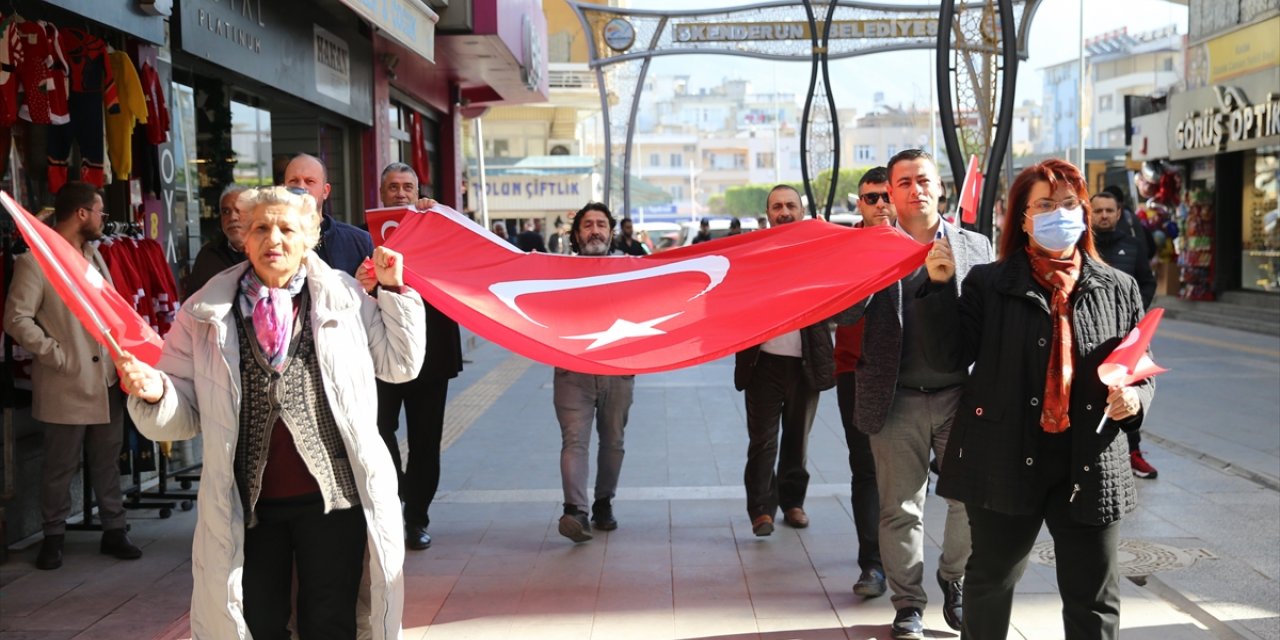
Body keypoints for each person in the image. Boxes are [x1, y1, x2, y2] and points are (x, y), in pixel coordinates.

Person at [114, 186, 425, 639]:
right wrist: (155, 392)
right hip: (248, 506)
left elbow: (400, 364)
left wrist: (395, 290)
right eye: (261, 227)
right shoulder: (204, 313)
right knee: (256, 622)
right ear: (243, 236)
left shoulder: (343, 296)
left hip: (335, 501)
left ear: (310, 236)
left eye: (286, 228)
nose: (272, 239)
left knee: (330, 621)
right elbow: (182, 412)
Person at [922, 159, 1154, 640]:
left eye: (1069, 204)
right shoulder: (989, 282)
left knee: (1094, 598)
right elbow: (950, 355)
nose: (1059, 215)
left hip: (1090, 457)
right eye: (1045, 205)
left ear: (1085, 212)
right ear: (1022, 218)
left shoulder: (1119, 286)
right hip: (1005, 453)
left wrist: (1134, 398)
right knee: (990, 581)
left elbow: (1139, 364)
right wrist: (940, 288)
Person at [841, 149, 992, 639]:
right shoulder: (871, 248)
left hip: (960, 395)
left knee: (968, 500)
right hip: (896, 397)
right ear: (890, 192)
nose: (914, 190)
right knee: (900, 508)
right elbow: (843, 317)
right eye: (902, 182)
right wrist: (873, 266)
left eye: (922, 180)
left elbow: (990, 323)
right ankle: (908, 605)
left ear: (940, 188)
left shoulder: (975, 246)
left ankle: (956, 580)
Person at [4, 181, 144, 570]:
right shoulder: (34, 261)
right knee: (58, 466)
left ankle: (115, 530)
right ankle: (53, 536)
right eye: (100, 212)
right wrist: (57, 355)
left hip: (106, 383)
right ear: (81, 214)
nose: (104, 220)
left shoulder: (95, 257)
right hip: (67, 381)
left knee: (106, 461)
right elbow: (16, 318)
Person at [373, 162, 464, 550]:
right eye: (392, 186)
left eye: (407, 186)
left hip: (432, 353)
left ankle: (416, 519)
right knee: (379, 432)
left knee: (426, 442)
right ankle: (394, 502)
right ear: (381, 192)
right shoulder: (368, 233)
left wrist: (440, 215)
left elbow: (467, 252)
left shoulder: (437, 226)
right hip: (383, 351)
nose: (400, 193)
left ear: (417, 190)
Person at [735, 185, 835, 537]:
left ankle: (793, 502)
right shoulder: (753, 252)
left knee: (797, 439)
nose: (784, 211)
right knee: (763, 440)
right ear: (768, 214)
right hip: (762, 363)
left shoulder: (820, 250)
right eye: (777, 206)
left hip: (806, 362)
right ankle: (761, 509)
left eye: (790, 205)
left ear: (802, 211)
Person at [553, 202, 635, 542]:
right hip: (573, 372)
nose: (595, 231)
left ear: (611, 232)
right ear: (576, 234)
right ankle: (576, 511)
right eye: (588, 225)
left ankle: (603, 503)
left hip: (618, 370)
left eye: (602, 224)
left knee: (613, 440)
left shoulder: (632, 270)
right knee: (575, 442)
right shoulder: (556, 272)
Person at [834, 166, 895, 598]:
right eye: (870, 197)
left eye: (885, 196)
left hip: (913, 378)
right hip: (855, 372)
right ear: (859, 202)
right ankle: (872, 564)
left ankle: (906, 558)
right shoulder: (845, 247)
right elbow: (839, 312)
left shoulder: (925, 245)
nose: (879, 205)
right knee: (865, 470)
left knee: (907, 477)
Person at [1090, 191, 1159, 480]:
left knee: (1128, 393)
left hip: (1125, 338)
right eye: (1098, 211)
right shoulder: (1083, 247)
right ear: (1089, 214)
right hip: (1091, 335)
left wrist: (1132, 311)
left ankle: (1133, 452)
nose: (1104, 215)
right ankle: (1093, 452)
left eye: (1109, 210)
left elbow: (1147, 282)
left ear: (1119, 214)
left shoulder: (1132, 246)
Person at [283, 153, 373, 276]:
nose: (301, 187)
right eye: (294, 181)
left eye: (310, 181)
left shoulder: (359, 242)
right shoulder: (268, 241)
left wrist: (359, 286)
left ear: (325, 191)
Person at [185, 183, 249, 299]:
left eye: (239, 210)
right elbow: (191, 305)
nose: (232, 217)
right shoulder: (208, 256)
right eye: (226, 212)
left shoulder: (268, 252)